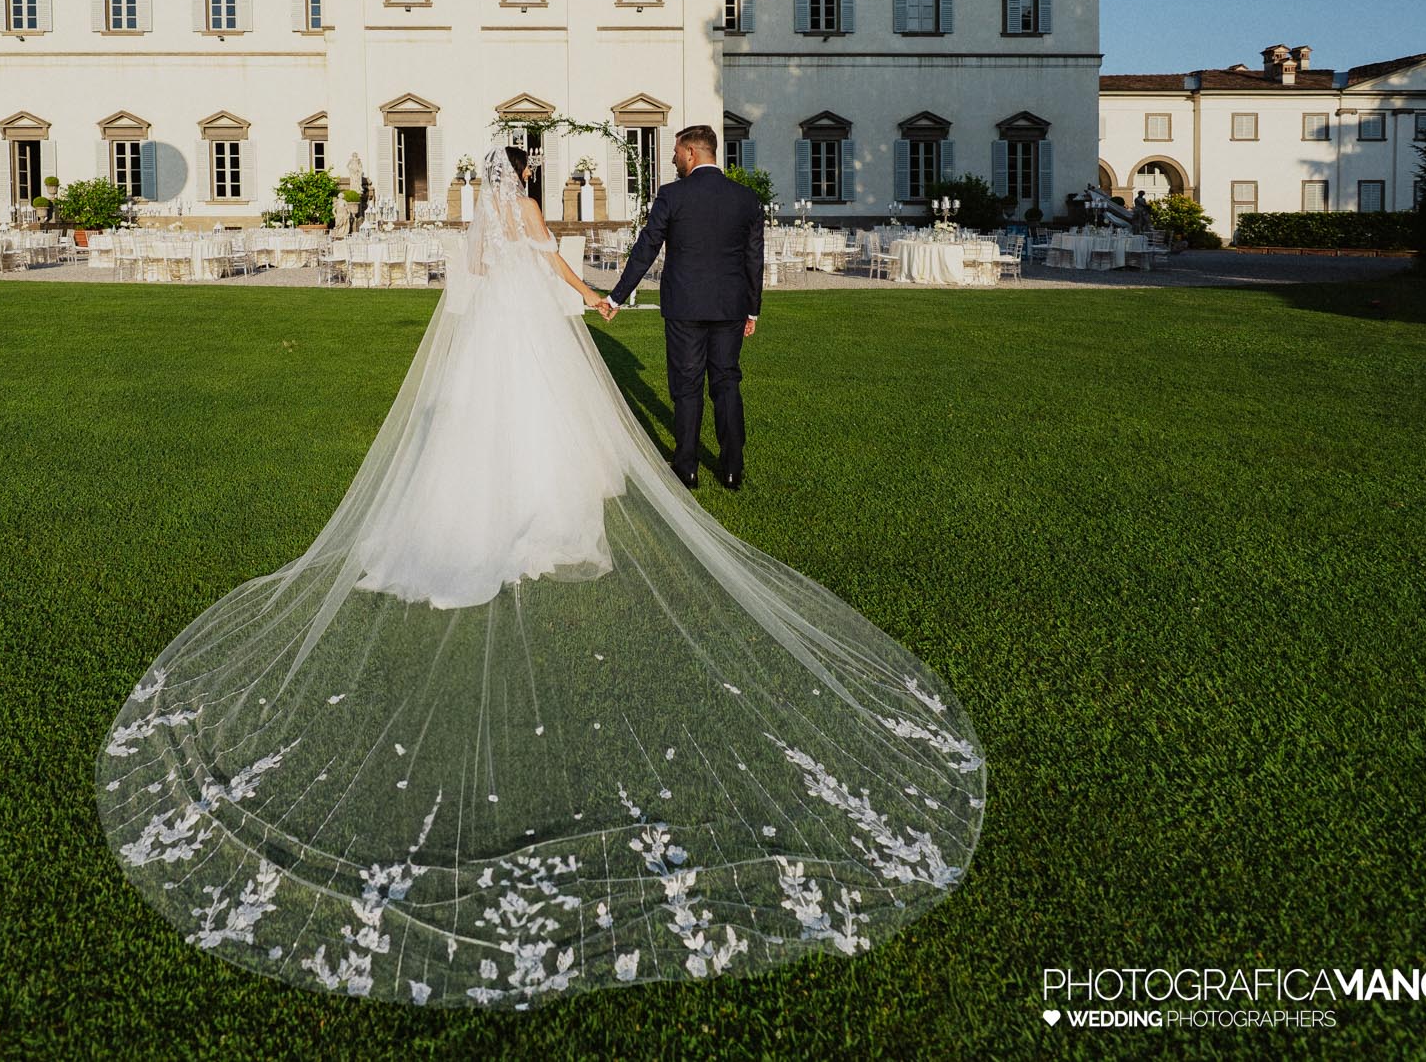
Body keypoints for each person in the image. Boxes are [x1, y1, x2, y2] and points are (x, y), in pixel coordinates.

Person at [96, 142, 983, 1010]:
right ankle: (670, 477)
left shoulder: (482, 222)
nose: (531, 179)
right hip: (557, 334)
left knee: (492, 433)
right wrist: (597, 295)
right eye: (529, 170)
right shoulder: (532, 206)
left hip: (492, 340)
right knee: (627, 415)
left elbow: (476, 280)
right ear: (523, 173)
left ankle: (504, 510)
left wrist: (580, 290)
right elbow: (556, 264)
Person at [600, 125, 764, 491]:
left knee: (687, 386)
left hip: (685, 306)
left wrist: (616, 296)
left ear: (691, 152)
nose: (673, 158)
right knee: (727, 383)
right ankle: (733, 468)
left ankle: (687, 467)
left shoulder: (672, 195)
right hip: (730, 307)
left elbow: (646, 249)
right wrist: (752, 310)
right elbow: (755, 260)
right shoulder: (746, 199)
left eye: (675, 151)